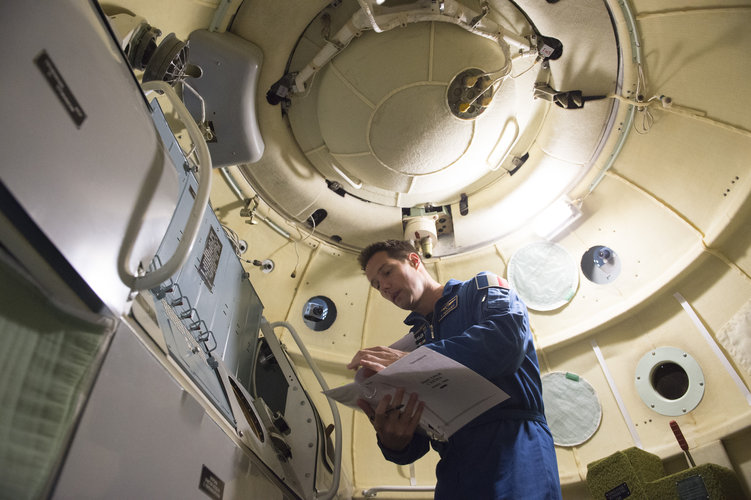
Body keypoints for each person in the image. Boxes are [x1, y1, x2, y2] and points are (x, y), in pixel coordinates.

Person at [347, 239, 561, 499]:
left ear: (414, 261)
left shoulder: (479, 289)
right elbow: (416, 443)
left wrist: (415, 362)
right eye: (376, 285)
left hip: (514, 445)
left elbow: (505, 341)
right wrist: (395, 442)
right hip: (454, 467)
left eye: (387, 272)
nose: (384, 287)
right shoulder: (412, 343)